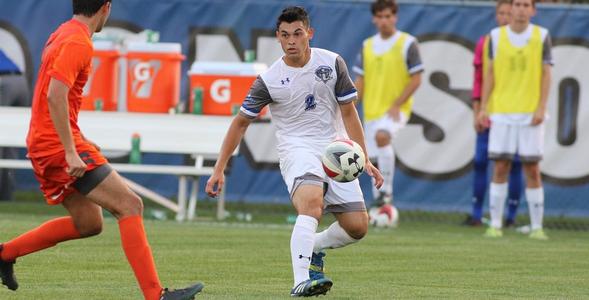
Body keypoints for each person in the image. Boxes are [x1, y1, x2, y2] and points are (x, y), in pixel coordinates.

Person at [0, 1, 203, 298]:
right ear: (105, 7)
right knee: (131, 205)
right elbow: (56, 96)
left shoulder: (63, 32)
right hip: (56, 145)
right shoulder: (76, 41)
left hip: (47, 142)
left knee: (89, 223)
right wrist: (71, 150)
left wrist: (77, 141)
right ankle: (155, 295)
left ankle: (5, 254)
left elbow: (55, 99)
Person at [205, 6, 383, 297]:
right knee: (312, 204)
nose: (292, 41)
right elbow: (239, 124)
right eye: (285, 35)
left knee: (357, 227)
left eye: (298, 33)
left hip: (336, 149)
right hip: (297, 148)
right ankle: (301, 279)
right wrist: (219, 168)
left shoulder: (333, 63)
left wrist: (363, 157)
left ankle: (311, 246)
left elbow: (349, 113)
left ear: (309, 33)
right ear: (277, 37)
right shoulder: (269, 80)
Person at [478, 0, 552, 240]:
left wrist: (541, 107)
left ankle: (537, 227)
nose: (521, 9)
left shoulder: (542, 36)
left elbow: (546, 74)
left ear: (533, 10)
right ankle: (495, 224)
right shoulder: (496, 36)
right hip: (502, 112)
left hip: (531, 114)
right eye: (517, 4)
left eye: (525, 4)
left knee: (533, 168)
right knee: (500, 167)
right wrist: (484, 108)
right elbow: (490, 73)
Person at [353, 0, 423, 206]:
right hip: (372, 111)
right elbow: (360, 81)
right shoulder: (367, 45)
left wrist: (397, 104)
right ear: (374, 19)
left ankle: (387, 194)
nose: (384, 21)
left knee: (382, 137)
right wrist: (351, 106)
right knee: (371, 160)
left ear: (395, 17)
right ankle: (380, 207)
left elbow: (417, 78)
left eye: (388, 16)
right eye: (380, 17)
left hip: (396, 110)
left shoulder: (408, 43)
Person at [466, 0, 524, 227]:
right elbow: (480, 79)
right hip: (491, 112)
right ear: (496, 15)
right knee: (481, 161)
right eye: (501, 13)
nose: (505, 17)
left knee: (516, 163)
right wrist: (478, 110)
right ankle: (477, 214)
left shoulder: (526, 43)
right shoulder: (487, 41)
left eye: (509, 13)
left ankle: (510, 217)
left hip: (516, 112)